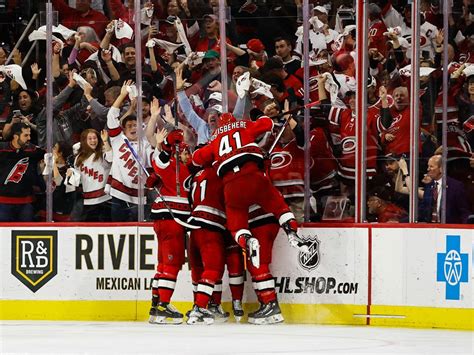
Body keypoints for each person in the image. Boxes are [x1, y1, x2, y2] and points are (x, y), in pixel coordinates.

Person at [192, 112, 309, 270]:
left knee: (236, 223)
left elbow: (196, 158)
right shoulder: (243, 125)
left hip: (231, 186)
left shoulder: (214, 139)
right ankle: (290, 231)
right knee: (278, 206)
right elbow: (266, 123)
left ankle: (247, 240)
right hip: (254, 177)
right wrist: (263, 117)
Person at [147, 128, 191, 325]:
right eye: (184, 151)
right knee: (172, 264)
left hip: (165, 219)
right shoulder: (171, 164)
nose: (187, 155)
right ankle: (164, 305)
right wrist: (167, 144)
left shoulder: (186, 168)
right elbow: (161, 160)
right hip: (171, 219)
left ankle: (155, 307)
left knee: (163, 265)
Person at [186, 164, 227, 325]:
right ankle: (200, 307)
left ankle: (202, 304)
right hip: (212, 224)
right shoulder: (221, 171)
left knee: (198, 269)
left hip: (194, 225)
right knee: (213, 268)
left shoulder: (197, 174)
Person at [0, 122, 45, 222]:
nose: (29, 138)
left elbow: (50, 154)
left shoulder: (33, 150)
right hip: (3, 201)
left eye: (29, 135)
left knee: (26, 233)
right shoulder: (2, 149)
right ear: (16, 136)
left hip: (25, 203)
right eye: (25, 135)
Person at [66, 129, 112, 221]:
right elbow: (77, 181)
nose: (93, 141)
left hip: (105, 200)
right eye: (90, 139)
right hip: (88, 201)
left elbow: (111, 158)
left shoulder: (102, 153)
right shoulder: (79, 158)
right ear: (84, 141)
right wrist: (71, 173)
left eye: (95, 138)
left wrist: (105, 141)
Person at [419, 154, 471, 224]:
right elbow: (423, 209)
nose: (428, 169)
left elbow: (464, 212)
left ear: (441, 168)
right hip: (430, 229)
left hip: (450, 228)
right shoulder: (429, 186)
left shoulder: (456, 186)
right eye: (428, 166)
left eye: (431, 166)